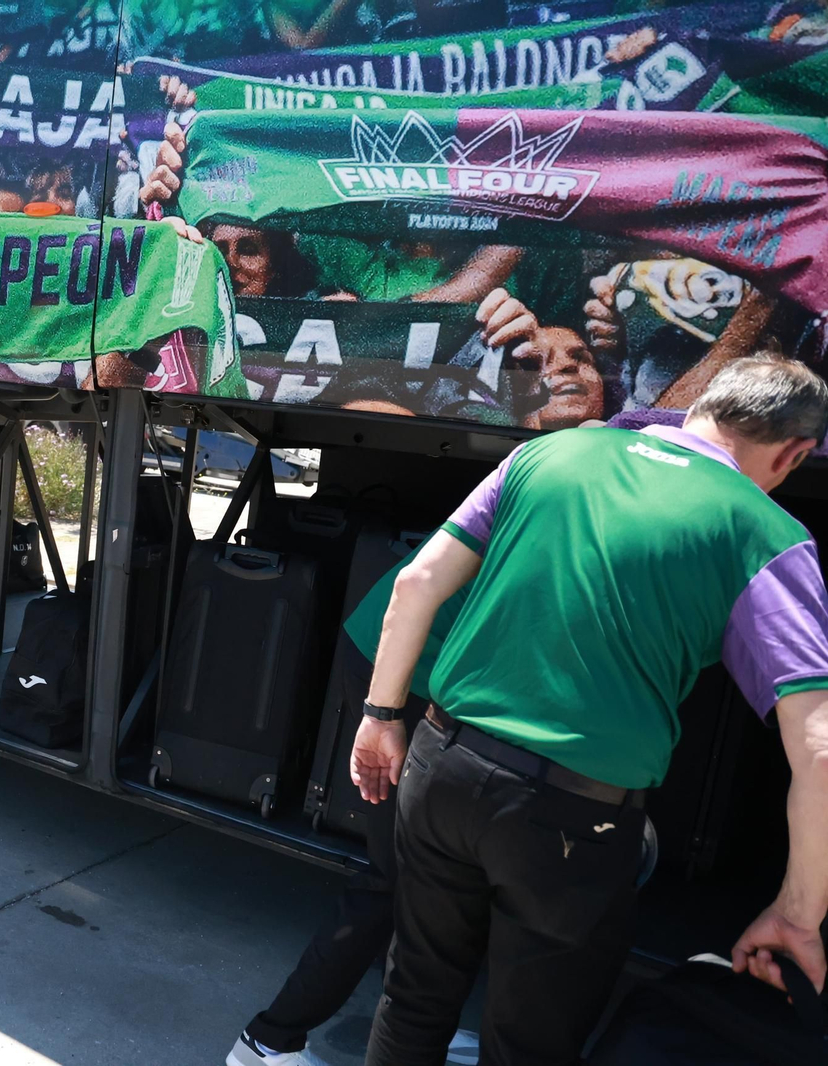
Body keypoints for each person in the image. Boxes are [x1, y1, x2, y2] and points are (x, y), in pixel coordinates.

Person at [351, 355, 828, 1065]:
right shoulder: (766, 534)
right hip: (574, 818)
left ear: (700, 406)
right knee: (531, 1040)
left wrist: (381, 715)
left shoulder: (551, 451)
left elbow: (417, 583)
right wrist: (798, 912)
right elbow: (818, 746)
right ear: (792, 454)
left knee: (415, 991)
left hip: (441, 763)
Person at [229, 539, 477, 1066]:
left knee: (449, 875)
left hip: (436, 664)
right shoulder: (563, 486)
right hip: (402, 664)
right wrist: (382, 714)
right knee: (398, 874)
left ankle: (422, 1019)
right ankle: (268, 1040)